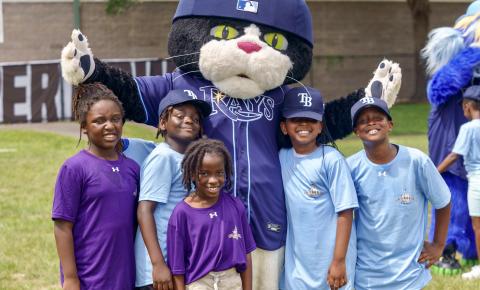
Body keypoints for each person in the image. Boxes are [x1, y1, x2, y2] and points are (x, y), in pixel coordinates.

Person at [347, 96, 451, 290]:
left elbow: (443, 201)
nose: (371, 123)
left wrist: (438, 244)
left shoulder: (416, 161)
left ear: (390, 125)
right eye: (363, 120)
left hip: (409, 276)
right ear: (356, 131)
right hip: (366, 276)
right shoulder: (349, 168)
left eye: (378, 117)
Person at [51, 83, 140, 289]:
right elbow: (62, 226)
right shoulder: (74, 168)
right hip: (89, 278)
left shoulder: (133, 168)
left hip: (125, 277)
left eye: (115, 119)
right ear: (84, 126)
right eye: (99, 121)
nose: (109, 125)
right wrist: (71, 278)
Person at [278, 87, 358, 290]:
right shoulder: (281, 157)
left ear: (320, 126)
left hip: (332, 261)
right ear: (284, 127)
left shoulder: (331, 159)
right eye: (296, 119)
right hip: (298, 265)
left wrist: (339, 261)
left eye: (311, 119)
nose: (304, 124)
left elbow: (345, 212)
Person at [135, 89, 212, 290]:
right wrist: (158, 264)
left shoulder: (186, 160)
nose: (189, 120)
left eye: (195, 119)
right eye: (179, 115)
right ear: (163, 123)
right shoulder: (163, 157)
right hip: (157, 270)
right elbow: (144, 210)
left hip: (176, 263)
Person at [167, 138, 256, 290]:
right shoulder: (182, 213)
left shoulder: (235, 206)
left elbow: (246, 254)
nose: (213, 180)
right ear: (192, 174)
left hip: (232, 282)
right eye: (204, 173)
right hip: (199, 283)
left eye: (219, 173)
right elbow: (177, 267)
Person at [436, 85, 480, 280]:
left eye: (463, 106)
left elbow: (454, 155)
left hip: (477, 181)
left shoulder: (468, 128)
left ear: (469, 106)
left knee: (478, 227)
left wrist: (435, 172)